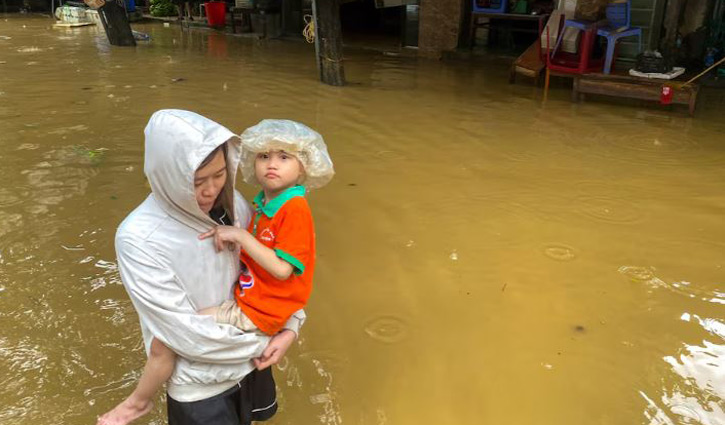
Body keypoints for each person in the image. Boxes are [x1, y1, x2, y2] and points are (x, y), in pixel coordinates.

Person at [97, 110, 305, 425]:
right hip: (202, 384)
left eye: (219, 174)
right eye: (197, 182)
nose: (211, 190)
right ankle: (137, 403)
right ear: (168, 175)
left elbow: (273, 270)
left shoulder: (232, 203)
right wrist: (269, 340)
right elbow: (186, 335)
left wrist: (291, 325)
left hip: (255, 357)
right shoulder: (139, 239)